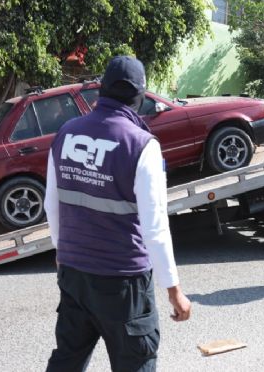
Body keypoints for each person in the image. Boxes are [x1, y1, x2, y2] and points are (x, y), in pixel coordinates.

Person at [44, 56, 191, 372]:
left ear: (102, 90)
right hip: (124, 285)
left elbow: (51, 204)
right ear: (140, 95)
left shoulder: (65, 134)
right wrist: (174, 290)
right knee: (134, 363)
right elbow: (155, 227)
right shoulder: (141, 145)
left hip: (74, 274)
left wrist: (62, 254)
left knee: (67, 359)